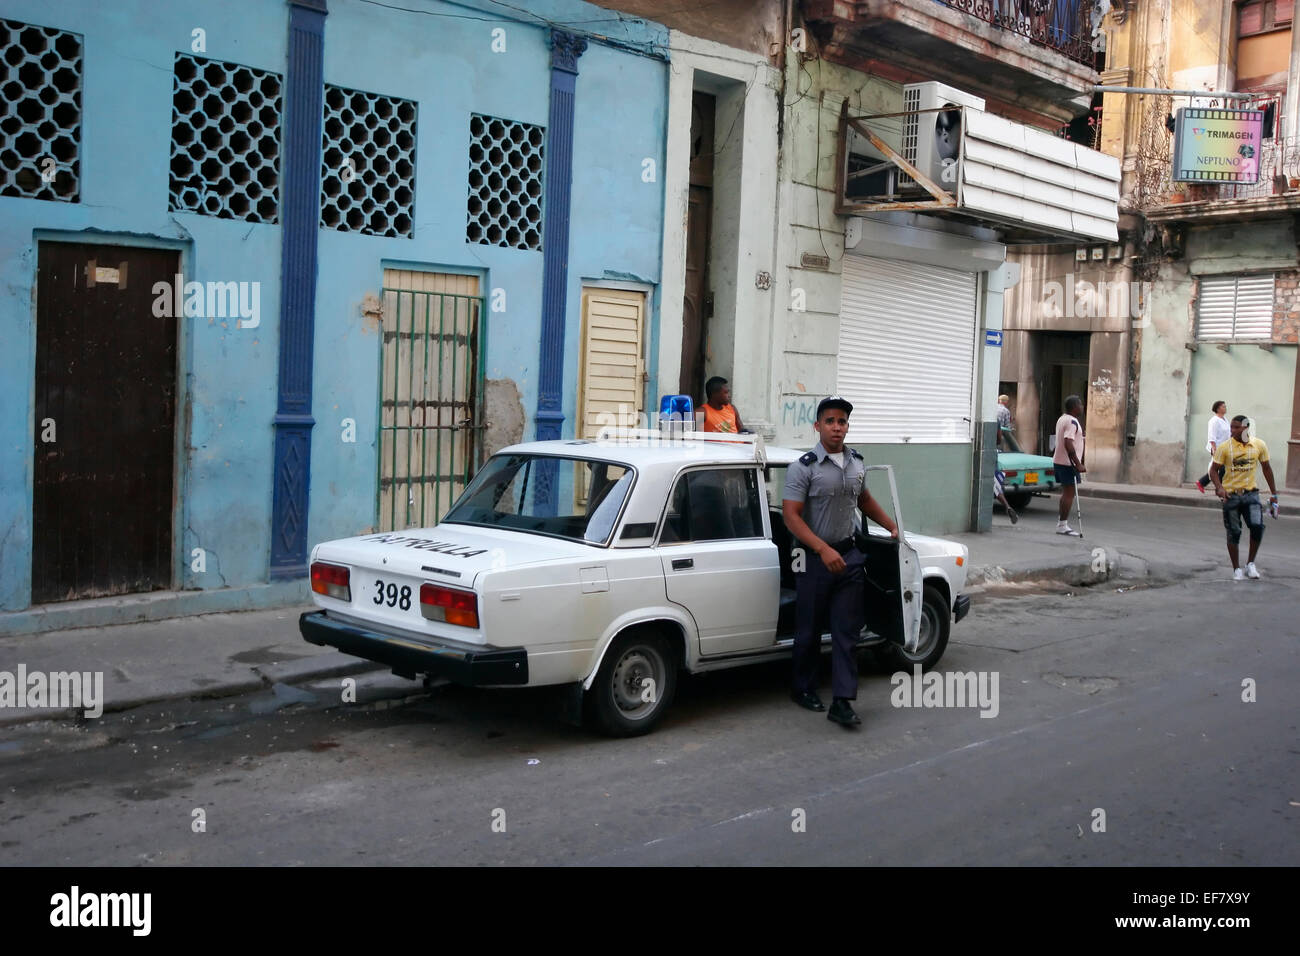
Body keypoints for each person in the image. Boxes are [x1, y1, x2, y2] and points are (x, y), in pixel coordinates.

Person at [782, 396, 898, 728]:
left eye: (842, 421)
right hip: (814, 559)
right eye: (830, 421)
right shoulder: (802, 467)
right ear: (817, 426)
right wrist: (822, 549)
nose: (837, 427)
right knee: (809, 630)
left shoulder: (857, 463)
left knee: (847, 632)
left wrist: (891, 525)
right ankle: (802, 687)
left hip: (849, 556)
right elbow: (791, 517)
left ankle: (843, 701)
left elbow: (864, 500)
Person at [1209, 415, 1279, 580]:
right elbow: (1213, 471)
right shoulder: (1225, 447)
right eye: (1231, 427)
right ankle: (1236, 569)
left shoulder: (1259, 445)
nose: (1232, 430)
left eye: (1236, 427)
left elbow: (1267, 468)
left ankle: (1250, 564)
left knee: (1257, 527)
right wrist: (1219, 487)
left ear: (1246, 428)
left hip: (1251, 495)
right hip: (1231, 496)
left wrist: (1274, 494)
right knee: (1234, 532)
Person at [1053, 395, 1086, 536]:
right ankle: (1062, 525)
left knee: (1066, 492)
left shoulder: (1063, 418)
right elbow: (1068, 441)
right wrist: (1077, 463)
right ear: (1074, 407)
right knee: (1069, 493)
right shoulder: (1072, 422)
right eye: (1080, 404)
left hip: (1060, 461)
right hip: (1068, 463)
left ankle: (1062, 522)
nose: (1082, 407)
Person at [1195, 400, 1230, 493]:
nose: (1225, 408)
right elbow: (1212, 436)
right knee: (1220, 468)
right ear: (1218, 409)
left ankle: (1202, 482)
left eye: (1225, 406)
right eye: (1223, 406)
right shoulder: (1214, 421)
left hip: (1224, 448)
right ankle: (1218, 488)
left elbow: (1228, 433)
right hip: (1216, 448)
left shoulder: (1225, 419)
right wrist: (1214, 449)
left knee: (1220, 469)